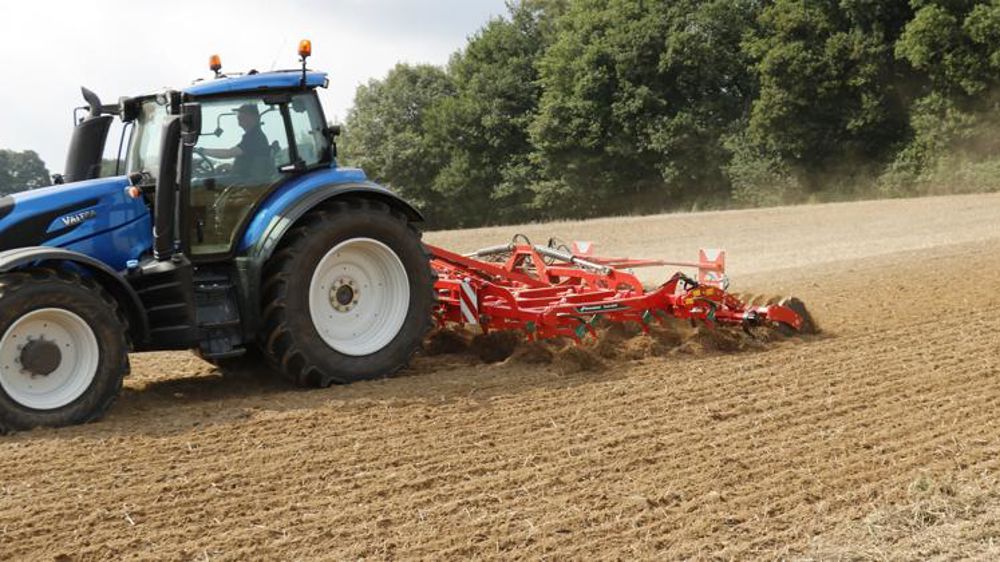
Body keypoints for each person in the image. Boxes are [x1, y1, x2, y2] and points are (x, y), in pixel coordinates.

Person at [199, 103, 272, 180]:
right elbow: (248, 163)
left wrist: (201, 150)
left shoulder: (255, 137)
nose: (239, 116)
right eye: (240, 114)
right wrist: (231, 167)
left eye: (244, 113)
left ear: (254, 117)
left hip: (246, 183)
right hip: (245, 178)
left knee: (197, 183)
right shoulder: (254, 135)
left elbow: (229, 153)